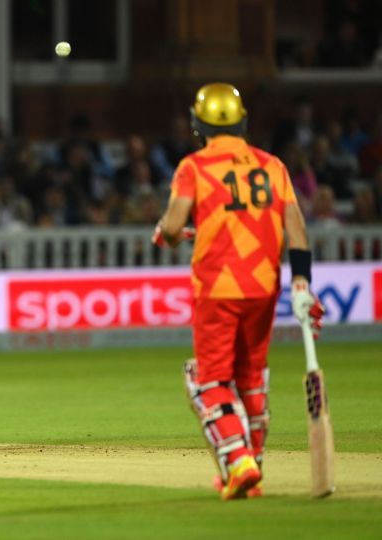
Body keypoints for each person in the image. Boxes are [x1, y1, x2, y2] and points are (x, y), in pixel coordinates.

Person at [152, 83, 325, 500]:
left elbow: (173, 228)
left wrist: (168, 233)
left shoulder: (193, 167)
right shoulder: (273, 166)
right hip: (265, 287)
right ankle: (251, 469)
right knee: (251, 378)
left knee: (207, 378)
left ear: (198, 124)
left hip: (216, 287)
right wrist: (302, 284)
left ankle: (238, 460)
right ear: (243, 121)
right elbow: (296, 230)